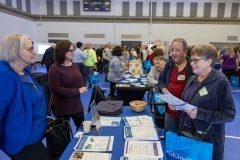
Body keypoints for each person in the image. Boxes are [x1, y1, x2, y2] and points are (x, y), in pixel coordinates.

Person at [168, 44, 236, 160]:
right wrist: (178, 105)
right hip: (186, 133)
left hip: (207, 139)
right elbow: (189, 102)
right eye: (192, 59)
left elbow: (229, 114)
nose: (191, 63)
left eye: (196, 60)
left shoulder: (221, 82)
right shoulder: (193, 79)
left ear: (209, 61)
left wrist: (199, 113)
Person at [0, 33, 52, 160]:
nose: (34, 52)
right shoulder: (5, 75)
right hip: (22, 141)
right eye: (29, 49)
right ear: (14, 51)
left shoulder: (24, 71)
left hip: (34, 135)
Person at [48, 40, 88, 130]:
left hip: (76, 103)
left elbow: (79, 79)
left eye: (73, 50)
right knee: (64, 133)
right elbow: (56, 89)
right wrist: (77, 90)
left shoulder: (74, 65)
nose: (73, 52)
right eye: (70, 50)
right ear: (62, 52)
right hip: (62, 106)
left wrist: (82, 86)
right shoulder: (54, 68)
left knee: (82, 128)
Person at [158, 38, 193, 135]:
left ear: (185, 52)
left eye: (177, 50)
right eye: (172, 50)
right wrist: (164, 89)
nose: (174, 53)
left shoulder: (193, 67)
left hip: (186, 113)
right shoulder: (169, 65)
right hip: (170, 111)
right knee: (169, 137)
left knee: (183, 141)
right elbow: (161, 81)